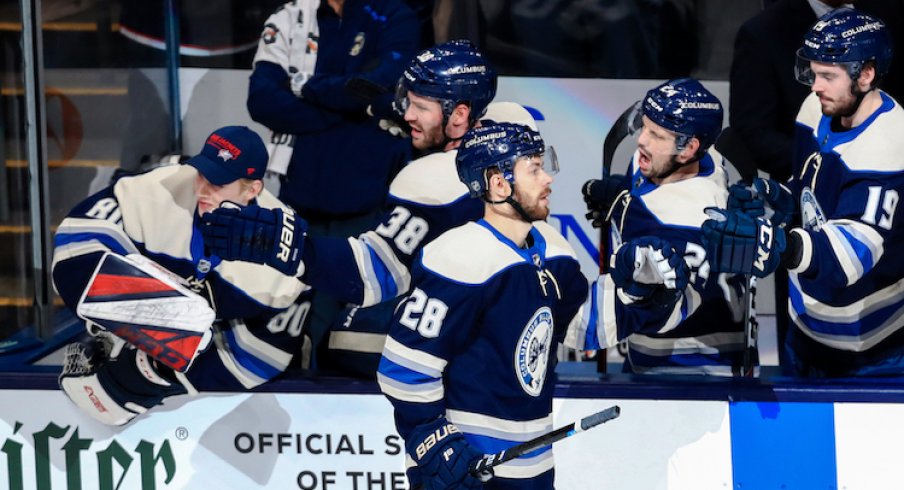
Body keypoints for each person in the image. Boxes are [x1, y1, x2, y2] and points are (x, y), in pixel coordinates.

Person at [203, 40, 535, 377]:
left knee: (344, 339)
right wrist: (424, 124)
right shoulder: (512, 142)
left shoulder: (434, 181)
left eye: (419, 106)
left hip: (465, 353)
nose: (407, 115)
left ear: (460, 114)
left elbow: (369, 275)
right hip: (511, 331)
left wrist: (284, 245)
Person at [376, 122, 591, 489]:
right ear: (498, 183)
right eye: (534, 168)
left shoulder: (556, 252)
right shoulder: (458, 257)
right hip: (466, 471)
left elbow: (582, 326)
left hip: (533, 468)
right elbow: (403, 369)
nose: (548, 179)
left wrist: (642, 292)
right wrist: (436, 442)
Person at [53, 126, 306, 426]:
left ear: (252, 190)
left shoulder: (283, 259)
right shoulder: (160, 188)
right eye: (202, 174)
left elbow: (263, 357)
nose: (201, 190)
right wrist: (154, 323)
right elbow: (73, 247)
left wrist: (158, 371)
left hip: (215, 410)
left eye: (218, 183)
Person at [702, 8, 904, 377]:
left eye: (828, 75)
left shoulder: (889, 143)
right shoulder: (816, 108)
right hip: (805, 331)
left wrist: (781, 245)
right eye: (813, 71)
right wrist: (776, 198)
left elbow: (852, 255)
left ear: (867, 74)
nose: (815, 85)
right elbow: (809, 188)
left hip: (872, 351)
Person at [247, 0, 422, 357]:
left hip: (368, 211)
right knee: (284, 332)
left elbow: (377, 85)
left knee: (349, 339)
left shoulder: (395, 15)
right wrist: (352, 112)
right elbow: (262, 100)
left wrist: (308, 87)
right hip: (298, 204)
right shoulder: (290, 16)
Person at [577, 78, 750, 376]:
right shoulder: (700, 159)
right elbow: (647, 195)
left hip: (692, 373)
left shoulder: (693, 220)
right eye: (644, 127)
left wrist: (619, 204)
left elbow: (653, 306)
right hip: (652, 356)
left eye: (656, 135)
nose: (642, 140)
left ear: (688, 149)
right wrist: (619, 194)